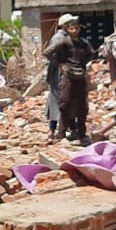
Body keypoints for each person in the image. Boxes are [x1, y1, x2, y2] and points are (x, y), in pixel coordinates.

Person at [44, 15, 95, 143]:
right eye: (72, 28)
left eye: (76, 28)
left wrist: (83, 64)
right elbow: (48, 53)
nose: (74, 30)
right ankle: (59, 133)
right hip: (65, 77)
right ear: (67, 28)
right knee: (64, 104)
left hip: (79, 76)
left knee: (81, 106)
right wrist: (61, 65)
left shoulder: (83, 42)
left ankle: (79, 133)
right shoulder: (62, 40)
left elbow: (91, 53)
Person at [44, 17, 74, 138]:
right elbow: (50, 54)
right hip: (58, 75)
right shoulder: (59, 38)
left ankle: (65, 129)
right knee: (60, 101)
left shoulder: (66, 37)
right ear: (65, 25)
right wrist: (61, 65)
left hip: (62, 74)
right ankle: (58, 130)